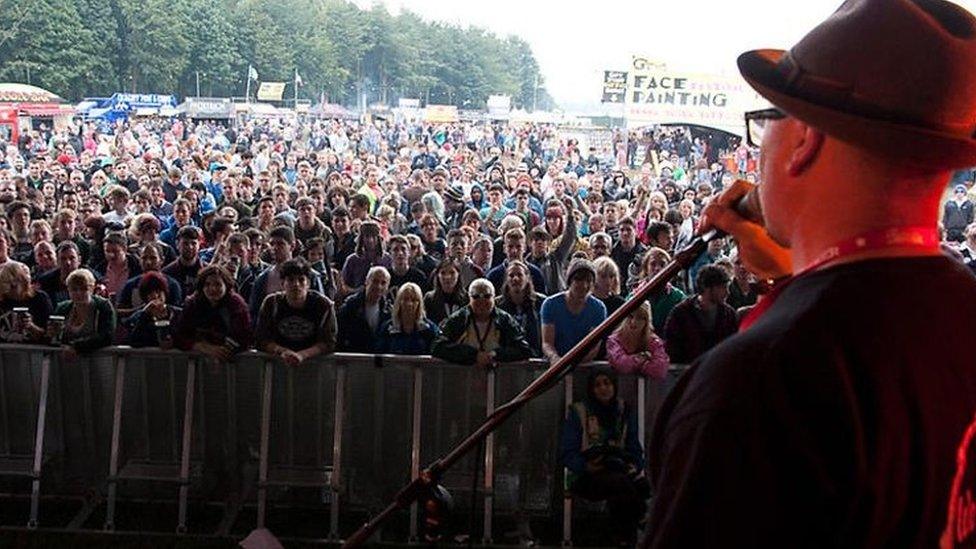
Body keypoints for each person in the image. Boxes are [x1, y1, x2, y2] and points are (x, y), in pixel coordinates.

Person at [644, 1, 976, 546]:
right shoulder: (962, 306)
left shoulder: (758, 383)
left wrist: (795, 308)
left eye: (765, 121)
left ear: (804, 141)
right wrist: (793, 283)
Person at [559, 369, 648, 547]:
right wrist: (586, 465)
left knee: (640, 486)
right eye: (597, 385)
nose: (603, 389)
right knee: (622, 485)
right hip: (586, 475)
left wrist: (634, 466)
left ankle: (622, 539)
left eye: (607, 383)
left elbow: (635, 449)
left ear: (614, 386)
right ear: (591, 389)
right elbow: (567, 453)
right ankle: (640, 522)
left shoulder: (623, 411)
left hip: (619, 469)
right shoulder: (580, 411)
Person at [431, 278, 532, 367]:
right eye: (476, 296)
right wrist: (473, 355)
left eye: (487, 296)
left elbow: (524, 349)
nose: (482, 301)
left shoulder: (505, 320)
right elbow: (437, 347)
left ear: (494, 297)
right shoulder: (458, 319)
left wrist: (495, 354)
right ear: (469, 298)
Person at [256, 257, 337, 366]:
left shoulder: (323, 305)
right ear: (282, 283)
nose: (296, 284)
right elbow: (262, 339)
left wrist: (302, 355)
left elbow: (328, 342)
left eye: (301, 280)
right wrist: (283, 352)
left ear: (308, 283)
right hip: (278, 365)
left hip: (314, 367)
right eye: (291, 279)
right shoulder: (271, 304)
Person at [173, 265, 253, 361]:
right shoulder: (193, 304)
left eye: (218, 284)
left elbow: (244, 337)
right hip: (196, 362)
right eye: (207, 284)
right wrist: (200, 347)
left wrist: (221, 351)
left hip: (231, 363)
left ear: (226, 285)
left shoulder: (237, 305)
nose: (212, 289)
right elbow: (179, 334)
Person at [662, 264, 737, 364]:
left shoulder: (729, 315)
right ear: (707, 288)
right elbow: (672, 349)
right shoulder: (680, 314)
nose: (727, 292)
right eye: (723, 288)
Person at [540, 259, 606, 364]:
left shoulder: (598, 308)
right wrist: (555, 358)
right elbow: (547, 343)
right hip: (554, 367)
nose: (584, 285)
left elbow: (594, 347)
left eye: (588, 281)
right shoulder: (550, 304)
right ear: (570, 281)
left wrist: (575, 365)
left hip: (583, 367)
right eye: (578, 280)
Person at [52, 268, 116, 357]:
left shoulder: (103, 306)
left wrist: (76, 346)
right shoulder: (62, 308)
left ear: (92, 288)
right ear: (68, 290)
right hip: (67, 361)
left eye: (83, 289)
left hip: (98, 360)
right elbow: (54, 337)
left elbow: (106, 336)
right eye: (74, 289)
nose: (78, 293)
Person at [605, 301, 669, 379]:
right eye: (630, 316)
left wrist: (640, 364)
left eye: (639, 318)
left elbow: (660, 370)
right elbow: (622, 365)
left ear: (647, 322)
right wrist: (642, 358)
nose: (633, 322)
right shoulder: (614, 340)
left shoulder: (654, 341)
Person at [494, 260, 545, 357]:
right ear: (506, 279)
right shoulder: (497, 305)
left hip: (537, 359)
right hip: (507, 360)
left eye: (520, 275)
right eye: (511, 275)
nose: (515, 279)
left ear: (527, 278)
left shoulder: (542, 302)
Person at [336, 266, 391, 353]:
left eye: (383, 283)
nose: (378, 286)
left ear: (387, 287)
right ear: (366, 281)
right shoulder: (350, 306)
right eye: (375, 281)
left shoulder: (389, 311)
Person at [376, 282, 440, 355]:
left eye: (414, 300)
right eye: (405, 299)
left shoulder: (429, 329)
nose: (409, 304)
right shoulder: (387, 328)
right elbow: (379, 355)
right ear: (399, 302)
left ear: (419, 303)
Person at [124, 272, 182, 348]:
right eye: (150, 293)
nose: (155, 296)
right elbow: (132, 341)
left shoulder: (178, 314)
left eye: (158, 292)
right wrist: (144, 315)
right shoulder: (137, 317)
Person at [0, 261, 51, 343]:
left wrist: (31, 326)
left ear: (22, 281)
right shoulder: (3, 298)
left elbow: (49, 335)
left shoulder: (39, 298)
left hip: (33, 351)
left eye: (13, 286)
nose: (9, 291)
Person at [423, 259, 468, 326]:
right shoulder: (429, 298)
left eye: (452, 273)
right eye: (443, 273)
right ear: (438, 275)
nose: (447, 277)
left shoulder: (466, 297)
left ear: (458, 274)